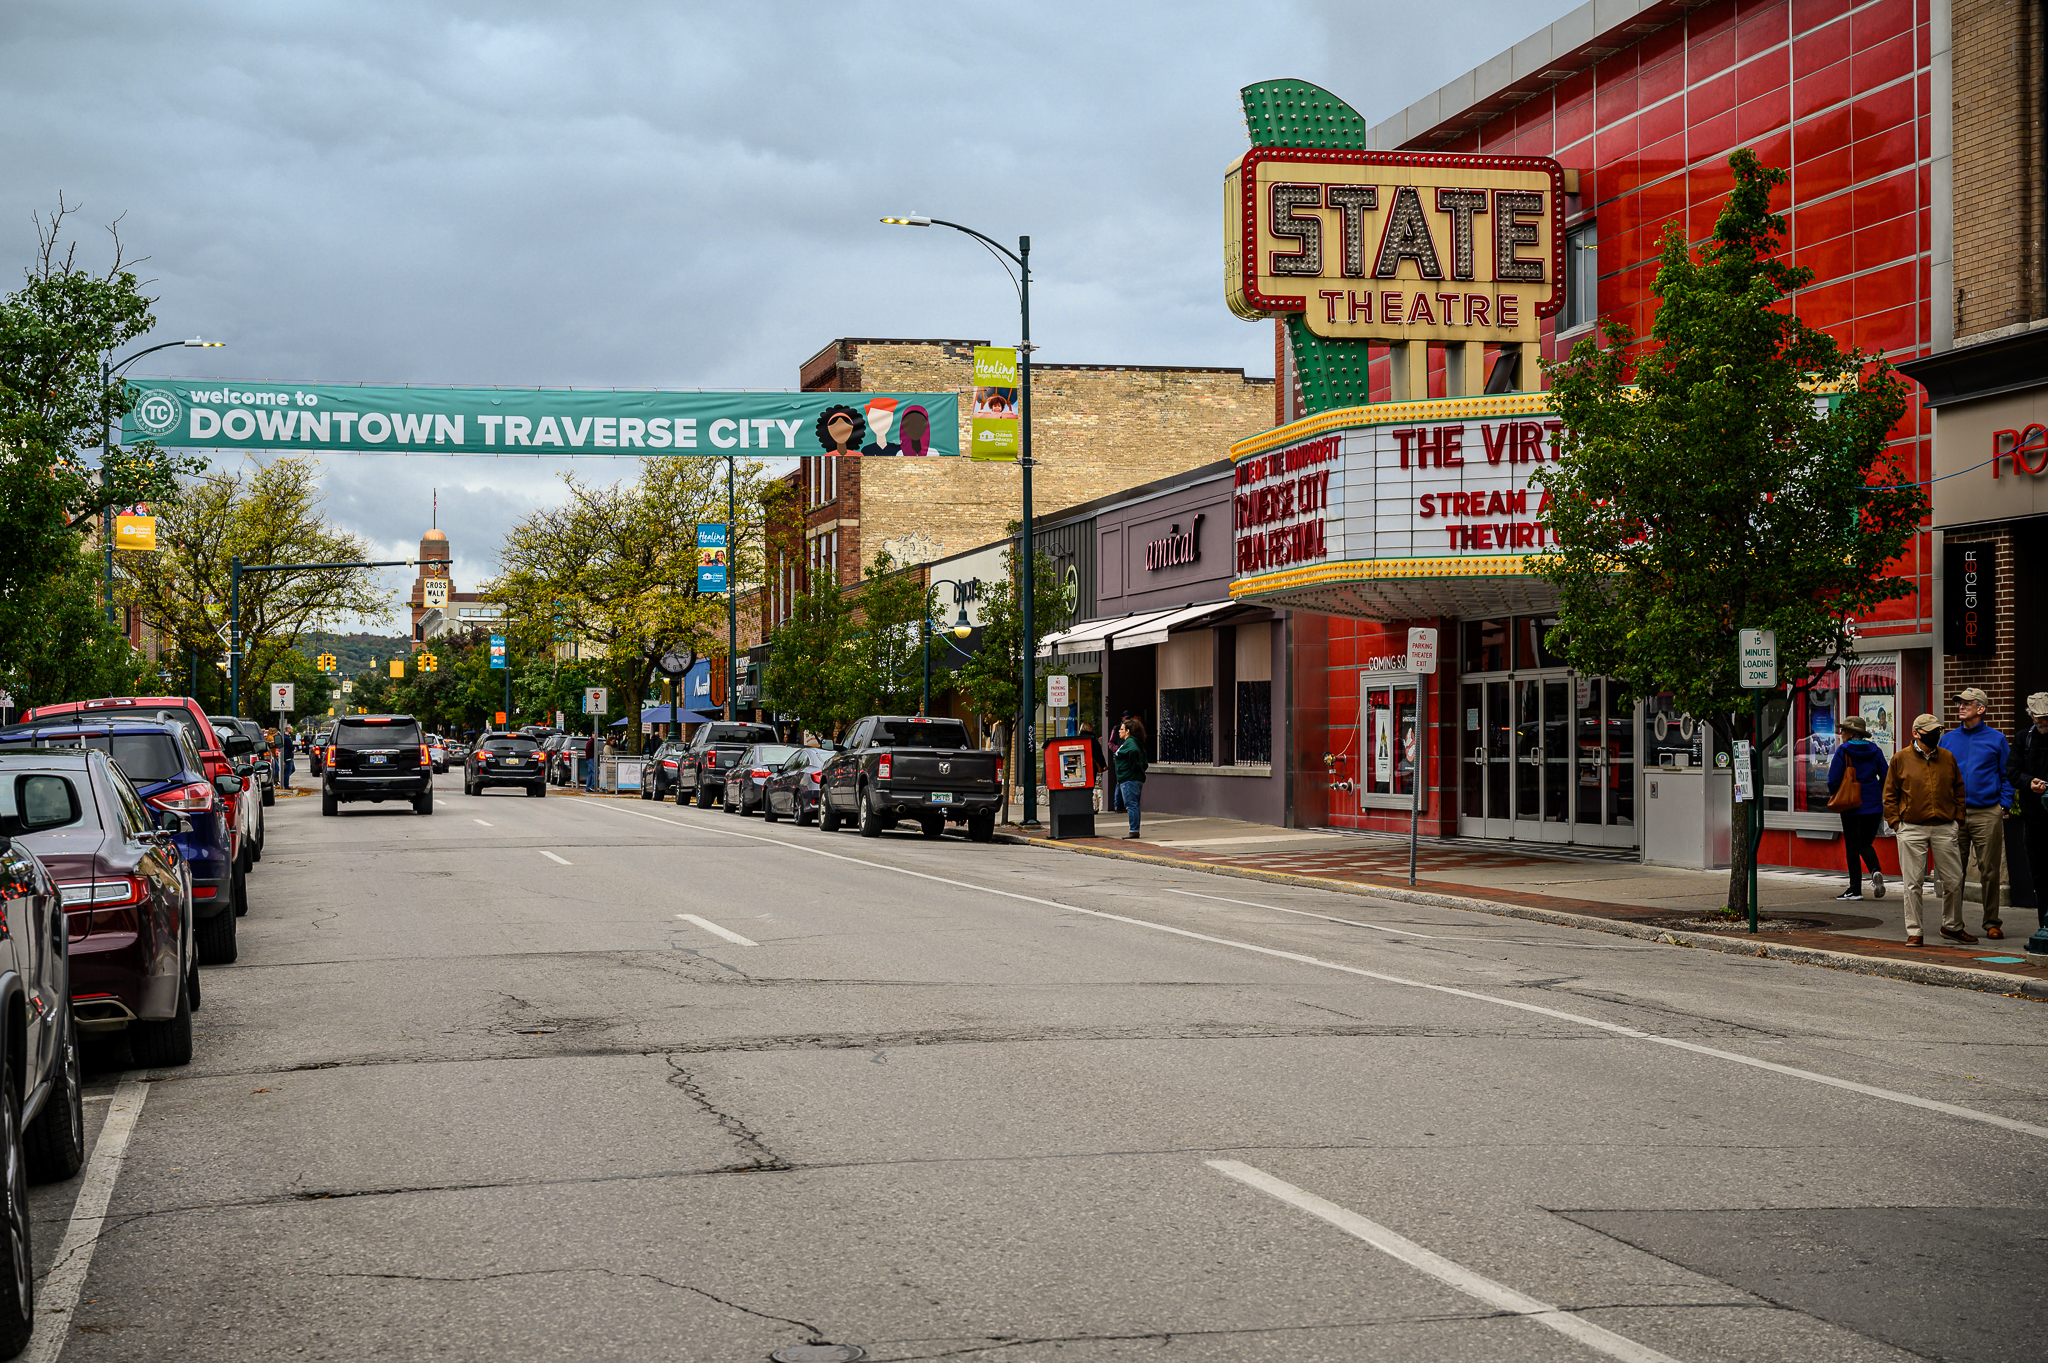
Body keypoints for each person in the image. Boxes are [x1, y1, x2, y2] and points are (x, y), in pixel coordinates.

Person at [1883, 713, 1969, 946]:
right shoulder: (1900, 759)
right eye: (1930, 732)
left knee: (1953, 880)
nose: (1935, 736)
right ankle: (1915, 931)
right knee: (1913, 884)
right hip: (1911, 827)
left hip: (1944, 826)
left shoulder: (1947, 758)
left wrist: (1957, 819)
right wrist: (1896, 823)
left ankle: (1951, 926)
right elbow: (1890, 794)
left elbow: (1959, 789)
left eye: (1937, 732)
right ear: (1915, 733)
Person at [1939, 686, 2014, 937]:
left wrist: (2004, 804)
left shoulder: (1997, 739)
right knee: (1953, 871)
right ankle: (1952, 923)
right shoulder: (1948, 739)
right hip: (1955, 814)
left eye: (1966, 703)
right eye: (1959, 702)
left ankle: (1991, 922)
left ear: (1980, 709)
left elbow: (2008, 775)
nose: (1960, 706)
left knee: (1990, 870)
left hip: (1987, 812)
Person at [1826, 714, 1888, 900]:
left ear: (1852, 733)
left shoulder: (1843, 751)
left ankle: (1855, 890)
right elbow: (1886, 775)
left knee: (1853, 846)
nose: (1841, 732)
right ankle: (1875, 870)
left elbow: (1833, 779)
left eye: (1843, 730)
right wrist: (1876, 790)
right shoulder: (1875, 750)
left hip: (1851, 804)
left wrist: (1837, 793)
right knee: (1865, 843)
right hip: (1874, 805)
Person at [2010, 692, 2048, 940]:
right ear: (2031, 715)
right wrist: (2028, 782)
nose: (2043, 722)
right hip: (2034, 816)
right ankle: (2044, 925)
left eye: (2046, 718)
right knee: (2039, 874)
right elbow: (2012, 771)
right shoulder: (2024, 739)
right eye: (2038, 718)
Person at [1114, 717, 1148, 840]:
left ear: (1128, 731)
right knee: (1134, 804)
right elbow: (1144, 761)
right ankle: (1135, 829)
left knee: (1131, 804)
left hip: (1129, 778)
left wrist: (1133, 769)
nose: (1119, 731)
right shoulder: (1135, 742)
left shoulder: (1130, 743)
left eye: (1122, 729)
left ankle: (1134, 830)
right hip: (1133, 777)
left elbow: (1134, 753)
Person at [277, 724, 296, 789]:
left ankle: (283, 778)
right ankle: (286, 784)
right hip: (288, 756)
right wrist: (294, 748)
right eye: (291, 730)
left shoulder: (284, 737)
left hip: (287, 756)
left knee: (292, 769)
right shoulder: (287, 738)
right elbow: (291, 747)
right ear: (288, 730)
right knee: (289, 770)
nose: (292, 731)